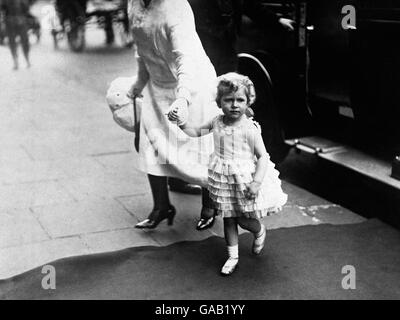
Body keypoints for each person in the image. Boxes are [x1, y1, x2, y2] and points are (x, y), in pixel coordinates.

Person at [169, 72, 287, 275]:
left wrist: (256, 182)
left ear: (248, 101)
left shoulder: (250, 128)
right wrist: (180, 122)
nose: (234, 105)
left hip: (244, 179)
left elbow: (263, 157)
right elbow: (194, 132)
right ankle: (232, 256)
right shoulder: (216, 122)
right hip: (222, 176)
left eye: (240, 100)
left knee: (242, 218)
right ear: (219, 101)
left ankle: (258, 230)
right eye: (228, 100)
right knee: (228, 217)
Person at [126, 0, 221, 230]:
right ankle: (161, 207)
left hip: (191, 83)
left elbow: (185, 57)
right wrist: (139, 82)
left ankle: (210, 205)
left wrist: (183, 98)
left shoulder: (176, 6)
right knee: (152, 145)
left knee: (200, 146)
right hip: (156, 84)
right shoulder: (133, 4)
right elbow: (141, 48)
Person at [188, 0, 295, 76]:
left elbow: (251, 5)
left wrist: (277, 20)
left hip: (227, 46)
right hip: (204, 44)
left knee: (227, 84)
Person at [0, 0, 32, 70]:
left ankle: (25, 60)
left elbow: (27, 9)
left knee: (23, 42)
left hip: (18, 21)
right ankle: (17, 61)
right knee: (14, 42)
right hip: (13, 21)